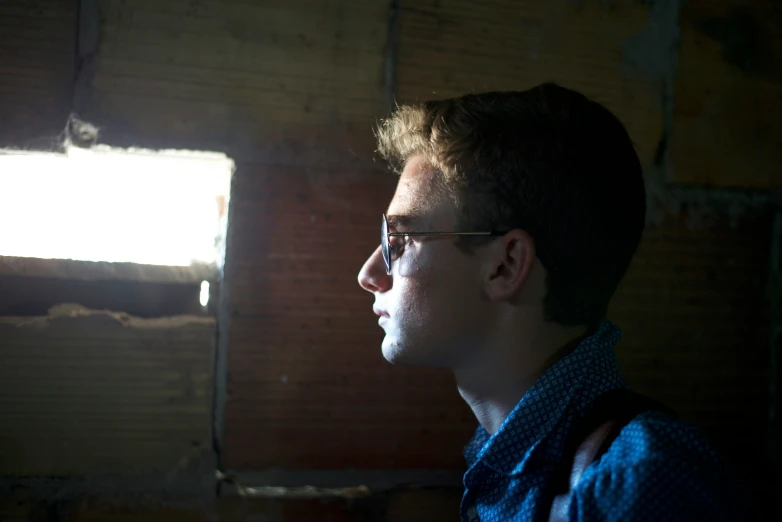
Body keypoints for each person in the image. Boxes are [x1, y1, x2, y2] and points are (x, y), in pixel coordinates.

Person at [357, 84, 748, 521]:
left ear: (506, 266)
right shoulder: (503, 456)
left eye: (401, 239)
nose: (369, 274)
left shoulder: (641, 482)